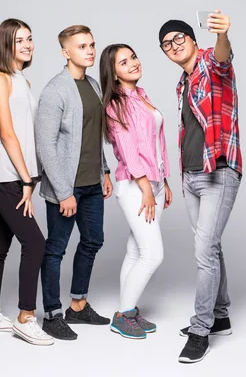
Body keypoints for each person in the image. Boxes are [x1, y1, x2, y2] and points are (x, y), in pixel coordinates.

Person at [158, 10, 242, 363]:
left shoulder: (210, 62)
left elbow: (223, 57)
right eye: (166, 44)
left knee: (203, 252)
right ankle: (220, 315)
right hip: (192, 174)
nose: (173, 46)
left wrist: (223, 35)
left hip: (218, 172)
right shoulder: (182, 82)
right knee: (211, 246)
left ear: (193, 40)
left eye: (179, 38)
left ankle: (201, 328)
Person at [0, 18, 54, 346]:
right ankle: (26, 317)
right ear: (5, 44)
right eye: (19, 40)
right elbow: (7, 134)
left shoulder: (23, 80)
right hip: (6, 174)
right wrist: (26, 179)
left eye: (30, 39)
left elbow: (27, 133)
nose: (27, 45)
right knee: (36, 243)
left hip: (18, 174)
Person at [35, 25, 113, 341]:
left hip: (92, 183)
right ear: (66, 52)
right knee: (55, 249)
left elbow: (95, 134)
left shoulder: (93, 85)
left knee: (93, 240)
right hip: (66, 188)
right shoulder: (56, 90)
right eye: (82, 46)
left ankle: (78, 306)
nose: (90, 51)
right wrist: (64, 192)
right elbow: (45, 144)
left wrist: (105, 171)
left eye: (92, 44)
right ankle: (52, 314)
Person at [99, 44, 172, 339]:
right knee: (152, 254)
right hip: (134, 185)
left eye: (133, 57)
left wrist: (163, 182)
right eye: (123, 62)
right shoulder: (115, 104)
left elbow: (155, 144)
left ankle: (128, 311)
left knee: (135, 250)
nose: (133, 64)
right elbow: (129, 152)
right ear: (113, 73)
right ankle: (122, 315)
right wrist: (146, 188)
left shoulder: (141, 96)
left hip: (152, 183)